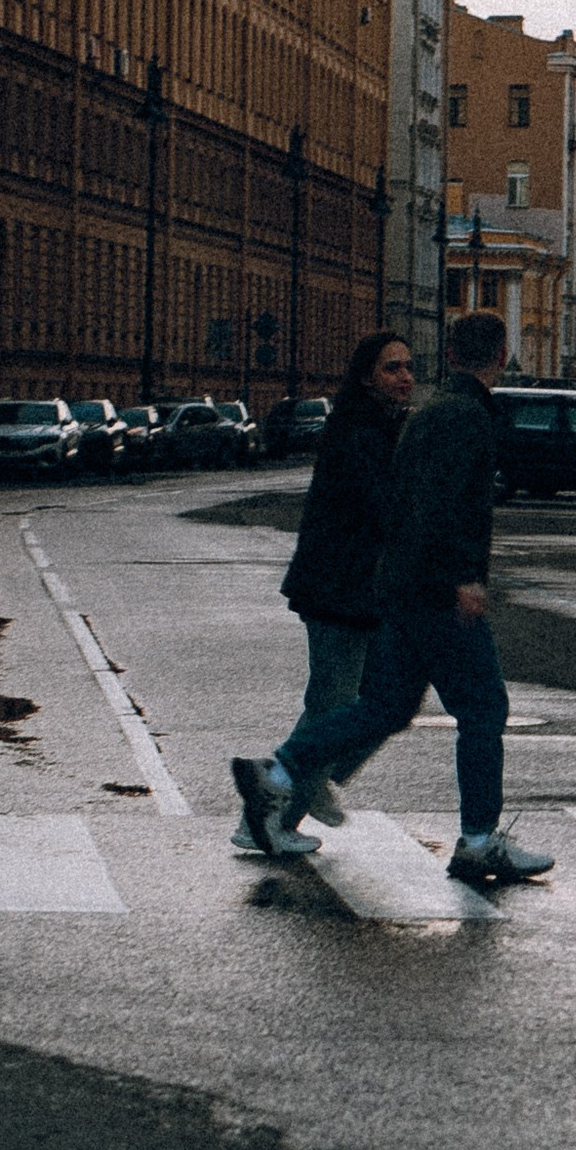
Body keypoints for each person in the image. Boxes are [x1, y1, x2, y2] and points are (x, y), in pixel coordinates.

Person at [231, 309, 553, 890]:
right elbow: (441, 504)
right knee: (483, 708)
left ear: (450, 354)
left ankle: (276, 773)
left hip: (399, 587)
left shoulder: (432, 412)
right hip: (433, 589)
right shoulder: (463, 416)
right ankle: (479, 840)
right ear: (501, 353)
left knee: (384, 709)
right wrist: (463, 577)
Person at [230, 327, 412, 856]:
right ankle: (272, 815)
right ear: (366, 377)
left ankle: (315, 778)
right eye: (391, 368)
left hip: (360, 587)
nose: (404, 377)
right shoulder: (359, 430)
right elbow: (382, 510)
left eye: (407, 366)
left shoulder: (380, 425)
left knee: (384, 700)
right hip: (339, 587)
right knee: (335, 702)